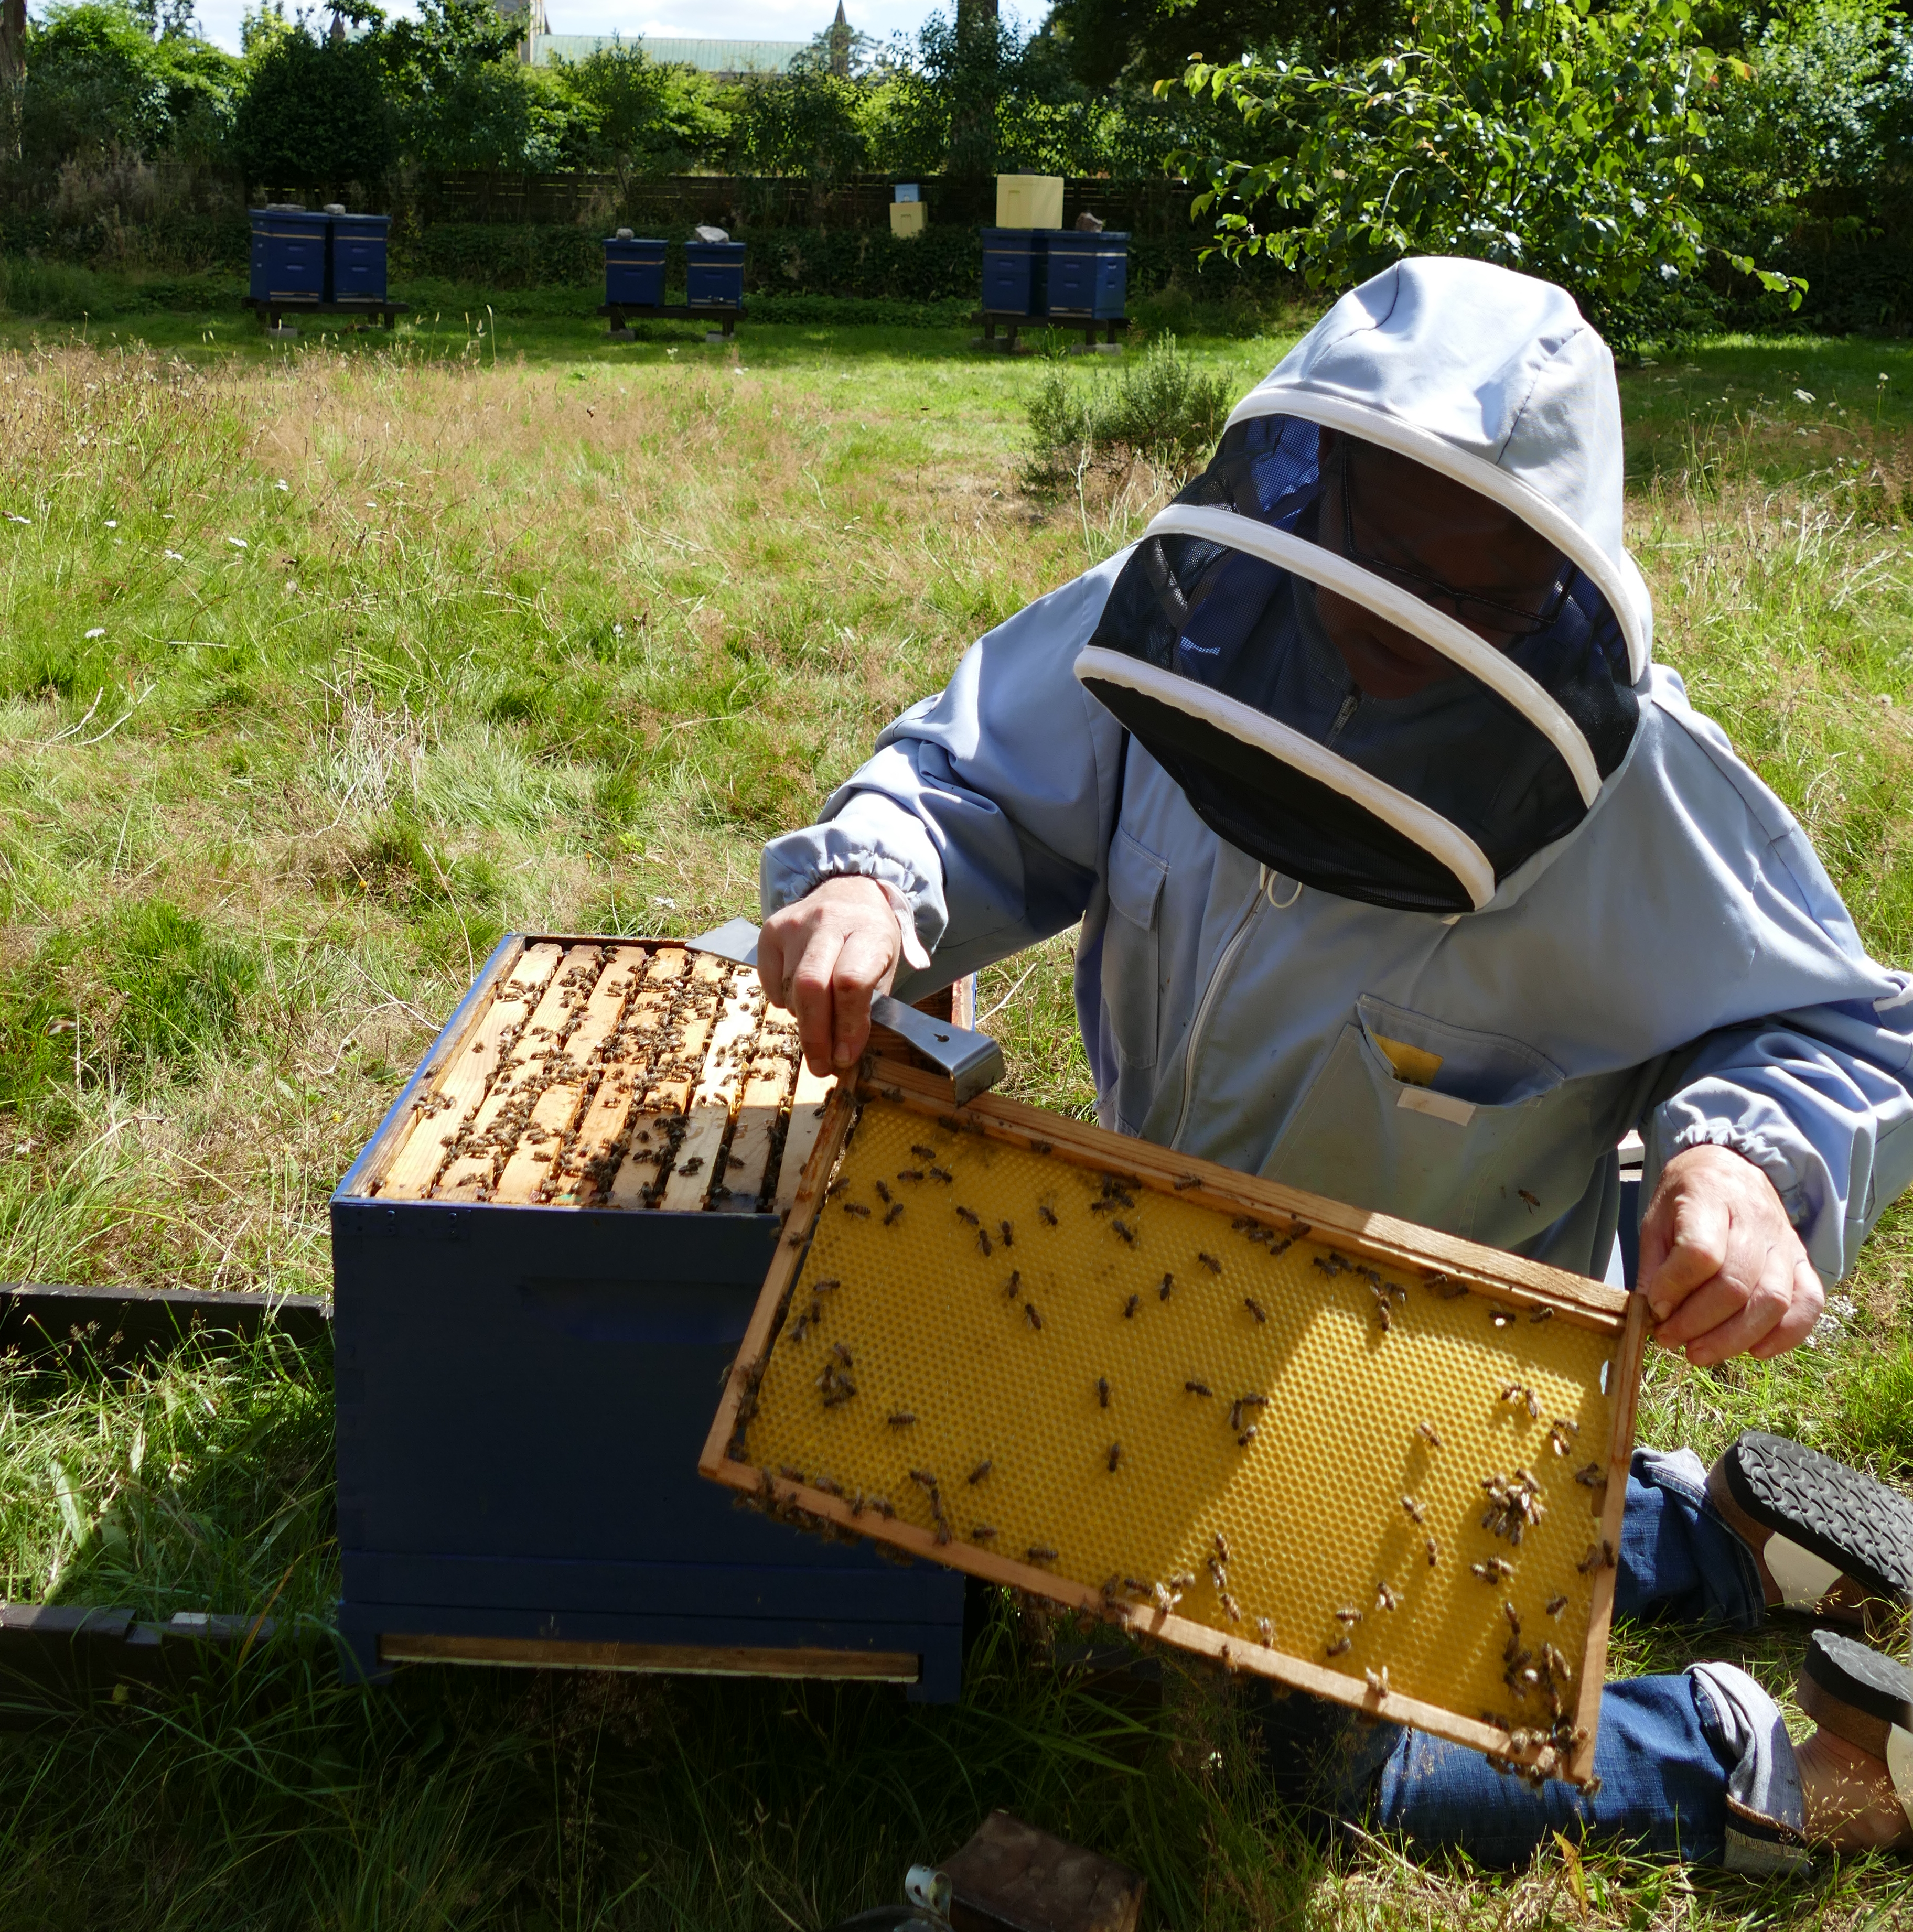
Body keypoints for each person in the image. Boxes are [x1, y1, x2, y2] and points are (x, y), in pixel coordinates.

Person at [757, 257, 1913, 1872]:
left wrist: (1746, 1164)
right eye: (1381, 548)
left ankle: (1789, 1763)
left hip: (1440, 1361)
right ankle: (1711, 1535)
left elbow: (1842, 1018)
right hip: (1157, 1274)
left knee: (1315, 1762)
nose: (1404, 621)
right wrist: (877, 878)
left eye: (1485, 590)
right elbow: (975, 782)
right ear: (1314, 478)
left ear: (1558, 590)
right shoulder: (1182, 617)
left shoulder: (1637, 785)